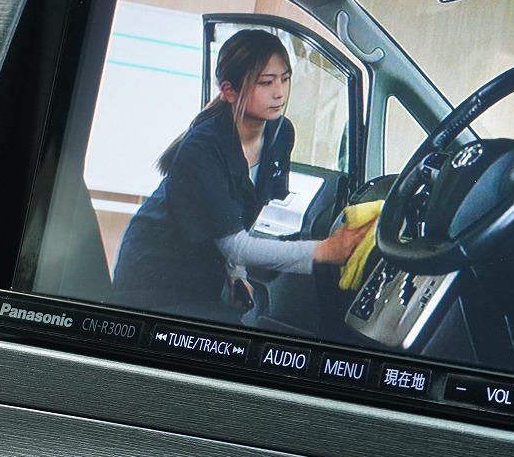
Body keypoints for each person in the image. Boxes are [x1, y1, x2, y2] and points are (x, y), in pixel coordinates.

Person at [112, 29, 369, 322]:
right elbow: (235, 244)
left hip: (203, 271)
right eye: (266, 82)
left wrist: (236, 274)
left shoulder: (280, 132)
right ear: (229, 91)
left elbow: (244, 214)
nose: (279, 93)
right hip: (153, 276)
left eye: (285, 79)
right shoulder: (202, 146)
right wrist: (323, 250)